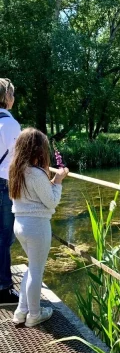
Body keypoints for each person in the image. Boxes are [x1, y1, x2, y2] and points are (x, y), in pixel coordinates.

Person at [8, 128, 69, 327]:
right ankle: (34, 315)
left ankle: (21, 311)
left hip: (21, 224)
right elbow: (50, 202)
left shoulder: (17, 170)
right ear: (37, 150)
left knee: (32, 268)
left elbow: (35, 194)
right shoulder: (35, 173)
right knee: (36, 270)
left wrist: (50, 181)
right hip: (36, 226)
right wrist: (58, 181)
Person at [0, 79, 21, 306]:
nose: (14, 99)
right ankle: (4, 289)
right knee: (5, 237)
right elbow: (18, 159)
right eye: (12, 95)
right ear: (6, 98)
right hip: (3, 184)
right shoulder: (10, 124)